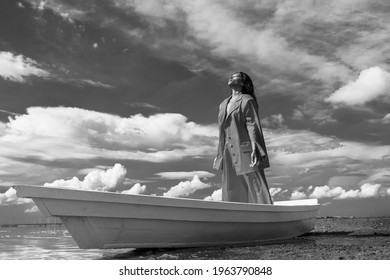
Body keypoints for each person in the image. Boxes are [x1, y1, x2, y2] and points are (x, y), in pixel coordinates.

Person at [213, 71, 273, 204]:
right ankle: (232, 216)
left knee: (256, 184)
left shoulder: (247, 100)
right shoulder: (223, 104)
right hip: (227, 150)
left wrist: (255, 148)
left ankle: (267, 214)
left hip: (245, 148)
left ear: (243, 82)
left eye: (235, 76)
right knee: (230, 186)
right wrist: (219, 153)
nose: (230, 77)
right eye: (231, 76)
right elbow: (221, 131)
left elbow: (253, 125)